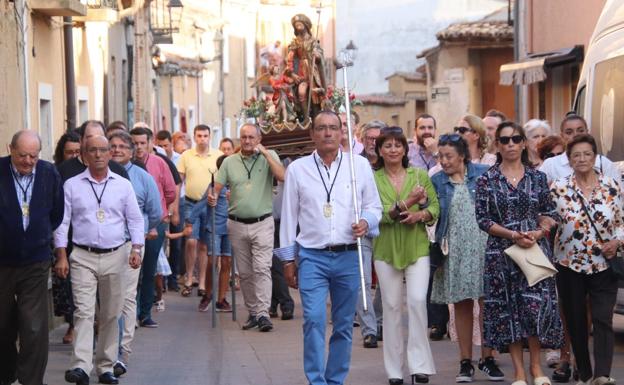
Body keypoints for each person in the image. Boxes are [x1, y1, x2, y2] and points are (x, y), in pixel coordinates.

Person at [278, 110, 381, 385]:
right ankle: (316, 380)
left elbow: (374, 206)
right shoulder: (298, 169)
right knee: (312, 319)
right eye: (321, 128)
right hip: (312, 257)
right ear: (312, 134)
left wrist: (366, 221)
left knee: (344, 324)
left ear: (341, 133)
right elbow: (288, 216)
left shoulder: (358, 166)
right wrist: (288, 261)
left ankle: (335, 379)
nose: (327, 133)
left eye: (333, 128)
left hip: (348, 255)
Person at [475, 121, 563, 385]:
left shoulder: (537, 177)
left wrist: (539, 232)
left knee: (534, 309)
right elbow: (482, 219)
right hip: (501, 253)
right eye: (504, 140)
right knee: (509, 311)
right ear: (497, 145)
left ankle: (537, 368)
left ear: (524, 143)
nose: (510, 144)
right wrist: (512, 234)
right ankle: (519, 372)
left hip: (534, 250)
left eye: (515, 139)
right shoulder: (486, 179)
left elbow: (550, 213)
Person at [54, 135, 143, 385]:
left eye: (103, 150)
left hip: (117, 254)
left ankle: (105, 366)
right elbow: (62, 222)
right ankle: (80, 366)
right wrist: (61, 254)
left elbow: (135, 219)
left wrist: (136, 247)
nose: (98, 155)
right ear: (84, 154)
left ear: (109, 154)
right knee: (83, 312)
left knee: (111, 313)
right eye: (92, 150)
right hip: (83, 255)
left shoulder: (122, 185)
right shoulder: (72, 185)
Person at [430, 134, 504, 383]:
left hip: (485, 246)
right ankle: (465, 361)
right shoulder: (438, 180)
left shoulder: (484, 173)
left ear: (462, 155)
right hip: (455, 250)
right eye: (440, 156)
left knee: (487, 305)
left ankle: (488, 358)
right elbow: (433, 214)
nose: (443, 161)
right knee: (461, 305)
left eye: (448, 156)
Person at [550, 134, 621, 385]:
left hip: (604, 262)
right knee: (576, 319)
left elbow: (622, 221)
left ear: (595, 157)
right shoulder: (557, 188)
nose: (582, 159)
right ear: (569, 159)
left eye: (587, 154)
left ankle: (602, 374)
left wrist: (618, 241)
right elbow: (545, 217)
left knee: (603, 318)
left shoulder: (612, 186)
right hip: (569, 263)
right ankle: (585, 373)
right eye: (576, 155)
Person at [372, 126, 439, 384]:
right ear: (379, 150)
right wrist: (406, 203)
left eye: (397, 145)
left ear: (405, 148)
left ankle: (420, 365)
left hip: (416, 246)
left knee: (416, 301)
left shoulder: (419, 174)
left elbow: (435, 207)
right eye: (387, 145)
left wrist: (420, 215)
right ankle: (394, 371)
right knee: (390, 307)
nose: (392, 149)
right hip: (385, 249)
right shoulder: (373, 178)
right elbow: (375, 217)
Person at [0, 130, 64, 385]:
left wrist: (39, 234)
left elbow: (57, 213)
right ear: (10, 149)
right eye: (22, 155)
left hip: (36, 260)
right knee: (2, 324)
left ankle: (31, 380)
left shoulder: (49, 173)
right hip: (2, 261)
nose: (28, 161)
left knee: (34, 326)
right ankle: (5, 372)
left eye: (33, 156)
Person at [209, 123, 285, 331]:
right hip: (236, 223)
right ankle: (253, 313)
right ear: (239, 139)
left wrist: (267, 154)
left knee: (262, 268)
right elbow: (216, 187)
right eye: (244, 137)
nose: (248, 141)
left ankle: (263, 313)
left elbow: (282, 176)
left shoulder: (269, 156)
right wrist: (212, 196)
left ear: (259, 139)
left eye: (252, 137)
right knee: (245, 273)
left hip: (263, 222)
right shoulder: (230, 162)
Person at [108, 131, 162, 377]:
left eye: (122, 146)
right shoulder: (100, 176)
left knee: (127, 299)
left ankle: (122, 352)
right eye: (112, 146)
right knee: (109, 300)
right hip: (104, 247)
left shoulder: (142, 177)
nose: (117, 150)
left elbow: (155, 210)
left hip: (131, 246)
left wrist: (143, 231)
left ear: (131, 151)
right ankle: (106, 350)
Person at [130, 126, 176, 328]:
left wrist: (162, 215)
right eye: (135, 143)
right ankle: (130, 312)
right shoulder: (123, 167)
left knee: (149, 269)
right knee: (132, 271)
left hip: (154, 226)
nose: (138, 147)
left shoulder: (159, 163)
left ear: (150, 143)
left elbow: (170, 191)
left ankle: (145, 312)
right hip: (130, 226)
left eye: (142, 143)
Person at [176, 124, 223, 306]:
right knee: (190, 240)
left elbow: (222, 180)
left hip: (211, 204)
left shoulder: (218, 155)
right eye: (199, 136)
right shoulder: (186, 156)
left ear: (209, 137)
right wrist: (173, 204)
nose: (202, 139)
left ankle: (202, 281)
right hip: (191, 202)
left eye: (205, 135)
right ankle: (189, 277)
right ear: (194, 137)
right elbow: (179, 181)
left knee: (204, 244)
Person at [186, 154, 234, 312]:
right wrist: (190, 220)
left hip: (230, 228)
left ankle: (221, 299)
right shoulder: (214, 185)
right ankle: (208, 294)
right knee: (213, 261)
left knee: (226, 262)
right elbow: (202, 203)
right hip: (214, 227)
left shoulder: (236, 185)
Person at [355, 119, 385, 349]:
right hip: (362, 228)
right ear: (362, 140)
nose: (373, 142)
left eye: (378, 138)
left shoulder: (393, 162)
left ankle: (381, 321)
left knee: (386, 281)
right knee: (362, 280)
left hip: (388, 228)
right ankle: (369, 329)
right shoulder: (354, 164)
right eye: (370, 138)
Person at [52, 130, 81, 345]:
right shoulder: (57, 172)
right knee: (68, 284)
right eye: (69, 152)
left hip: (83, 234)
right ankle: (72, 323)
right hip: (63, 234)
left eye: (77, 152)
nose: (73, 156)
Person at [540, 114, 621, 184]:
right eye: (569, 132)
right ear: (562, 136)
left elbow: (619, 192)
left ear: (587, 132)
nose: (575, 135)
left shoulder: (603, 163)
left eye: (580, 130)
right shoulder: (551, 165)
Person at [286, 13, 327, 119]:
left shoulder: (313, 41)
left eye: (300, 24)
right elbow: (290, 58)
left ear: (306, 25)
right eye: (296, 25)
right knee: (301, 92)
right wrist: (292, 74)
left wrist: (317, 55)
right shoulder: (295, 42)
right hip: (301, 71)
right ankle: (305, 117)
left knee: (315, 94)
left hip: (313, 71)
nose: (298, 27)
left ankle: (317, 117)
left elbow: (320, 56)